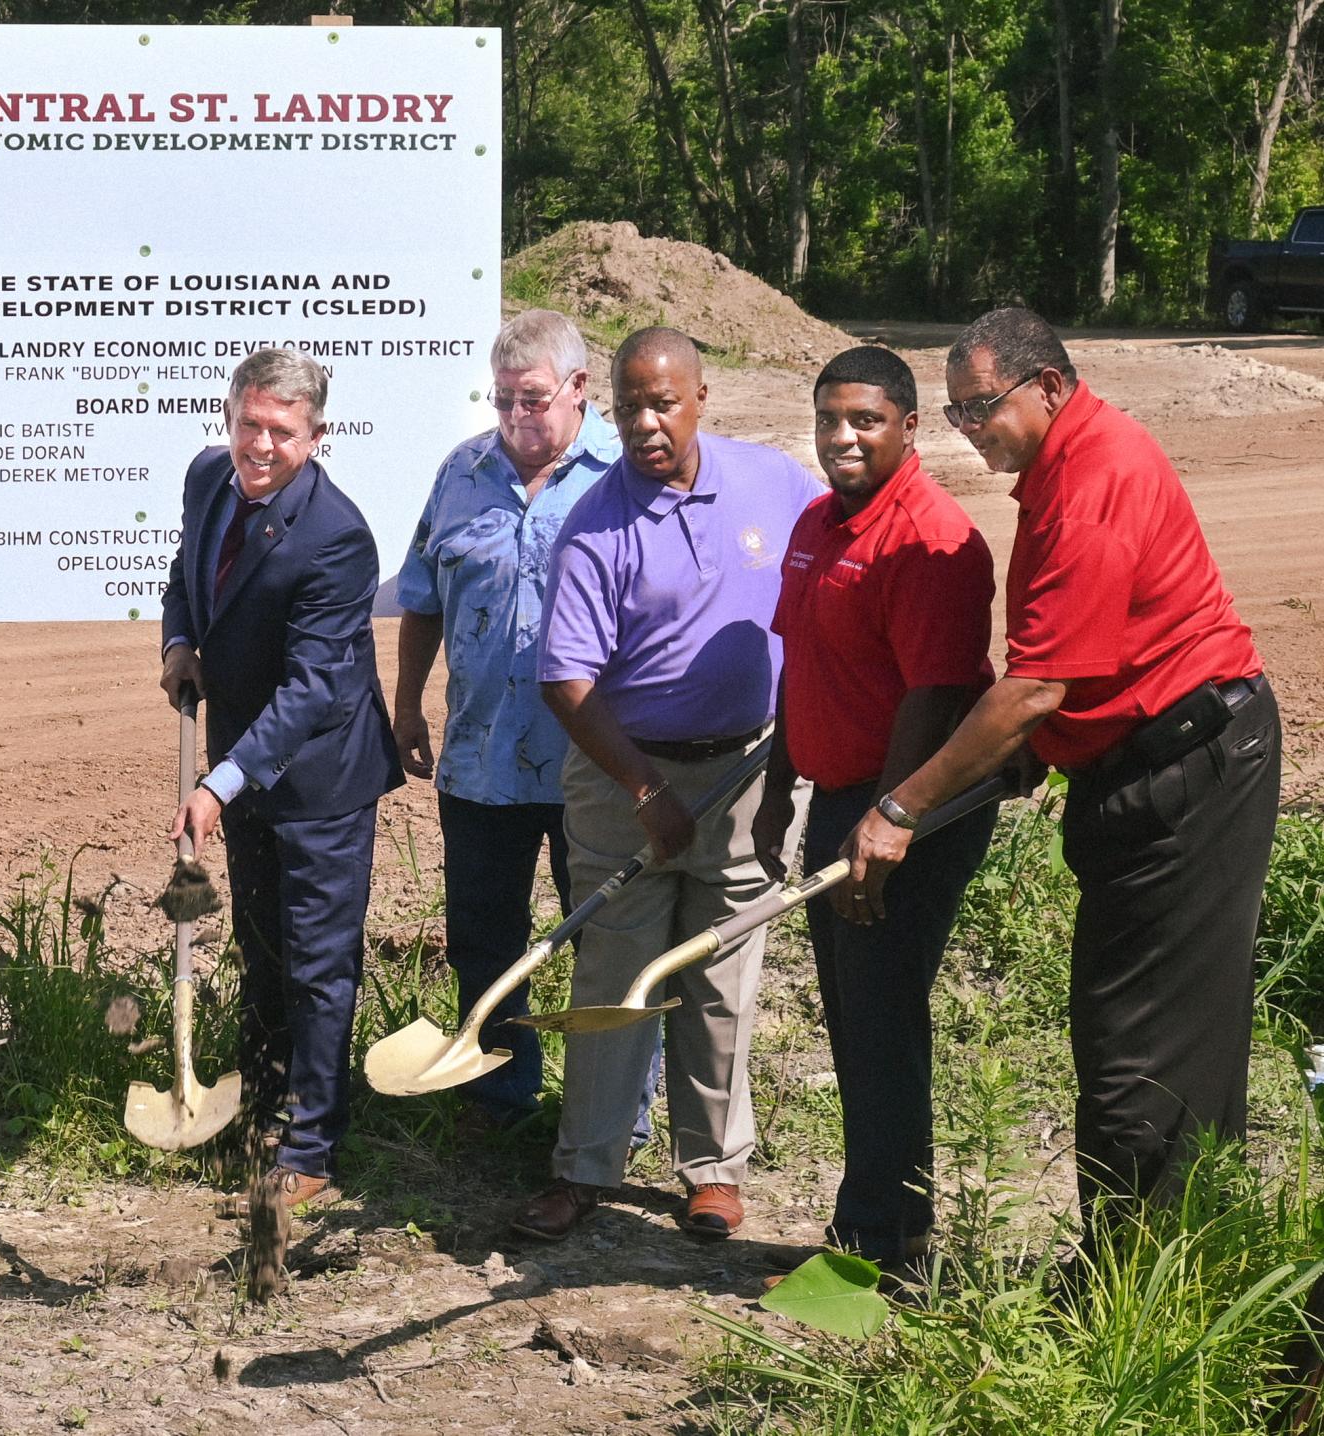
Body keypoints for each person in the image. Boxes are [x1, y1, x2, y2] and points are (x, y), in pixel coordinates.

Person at [844, 308, 1277, 1238]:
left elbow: (1037, 687)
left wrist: (899, 807)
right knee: (1141, 1030)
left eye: (980, 408)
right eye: (957, 415)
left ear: (1048, 386)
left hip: (1194, 766)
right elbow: (1071, 678)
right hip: (1145, 764)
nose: (970, 433)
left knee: (1143, 1042)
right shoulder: (1063, 469)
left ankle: (1145, 1280)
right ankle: (1172, 1255)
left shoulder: (1094, 478)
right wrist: (1042, 752)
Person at [515, 327, 820, 1245]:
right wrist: (647, 792)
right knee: (617, 973)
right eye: (630, 406)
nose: (647, 423)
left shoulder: (775, 482)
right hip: (624, 779)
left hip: (753, 770)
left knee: (723, 973)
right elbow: (566, 679)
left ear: (699, 397)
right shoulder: (595, 523)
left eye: (664, 403)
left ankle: (712, 1172)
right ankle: (585, 1168)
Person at [753, 345, 997, 1275]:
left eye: (864, 420)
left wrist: (883, 826)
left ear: (909, 425)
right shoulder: (818, 521)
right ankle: (871, 1225)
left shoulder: (932, 540)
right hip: (842, 798)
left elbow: (932, 700)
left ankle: (891, 1245)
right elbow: (800, 668)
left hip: (911, 809)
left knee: (884, 1012)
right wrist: (781, 790)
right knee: (852, 1014)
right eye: (829, 419)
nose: (842, 437)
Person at [157, 346, 403, 1216]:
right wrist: (178, 643)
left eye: (283, 432)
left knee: (317, 962)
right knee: (262, 947)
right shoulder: (208, 478)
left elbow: (312, 691)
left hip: (319, 781)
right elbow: (187, 574)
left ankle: (311, 1143)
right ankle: (262, 1104)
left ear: (317, 435)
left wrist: (220, 783)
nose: (261, 446)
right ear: (230, 417)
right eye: (249, 424)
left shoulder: (337, 538)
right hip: (244, 761)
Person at [393, 308, 631, 1128]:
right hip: (481, 755)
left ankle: (613, 1111)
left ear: (577, 388)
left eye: (533, 399)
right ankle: (500, 1094)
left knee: (608, 942)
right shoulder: (461, 472)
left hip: (594, 762)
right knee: (484, 938)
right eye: (503, 401)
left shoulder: (626, 474)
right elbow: (422, 598)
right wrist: (406, 703)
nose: (517, 418)